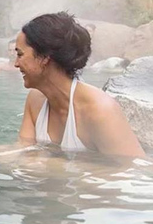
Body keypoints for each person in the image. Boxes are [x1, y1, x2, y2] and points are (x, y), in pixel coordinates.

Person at [15, 12, 145, 157]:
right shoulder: (35, 101)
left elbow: (132, 169)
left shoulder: (99, 109)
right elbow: (23, 149)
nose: (15, 63)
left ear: (44, 58)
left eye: (20, 55)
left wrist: (49, 164)